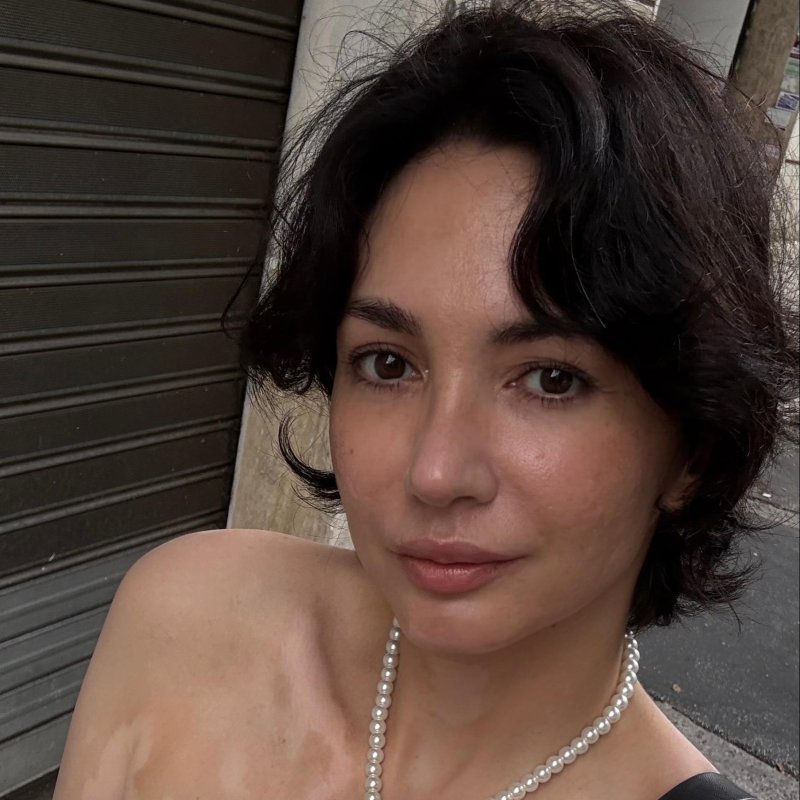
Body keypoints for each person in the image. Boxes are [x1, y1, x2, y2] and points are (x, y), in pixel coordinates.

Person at [53, 1, 796, 798]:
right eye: (388, 364)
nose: (435, 472)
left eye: (550, 378)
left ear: (693, 450)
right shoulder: (186, 622)